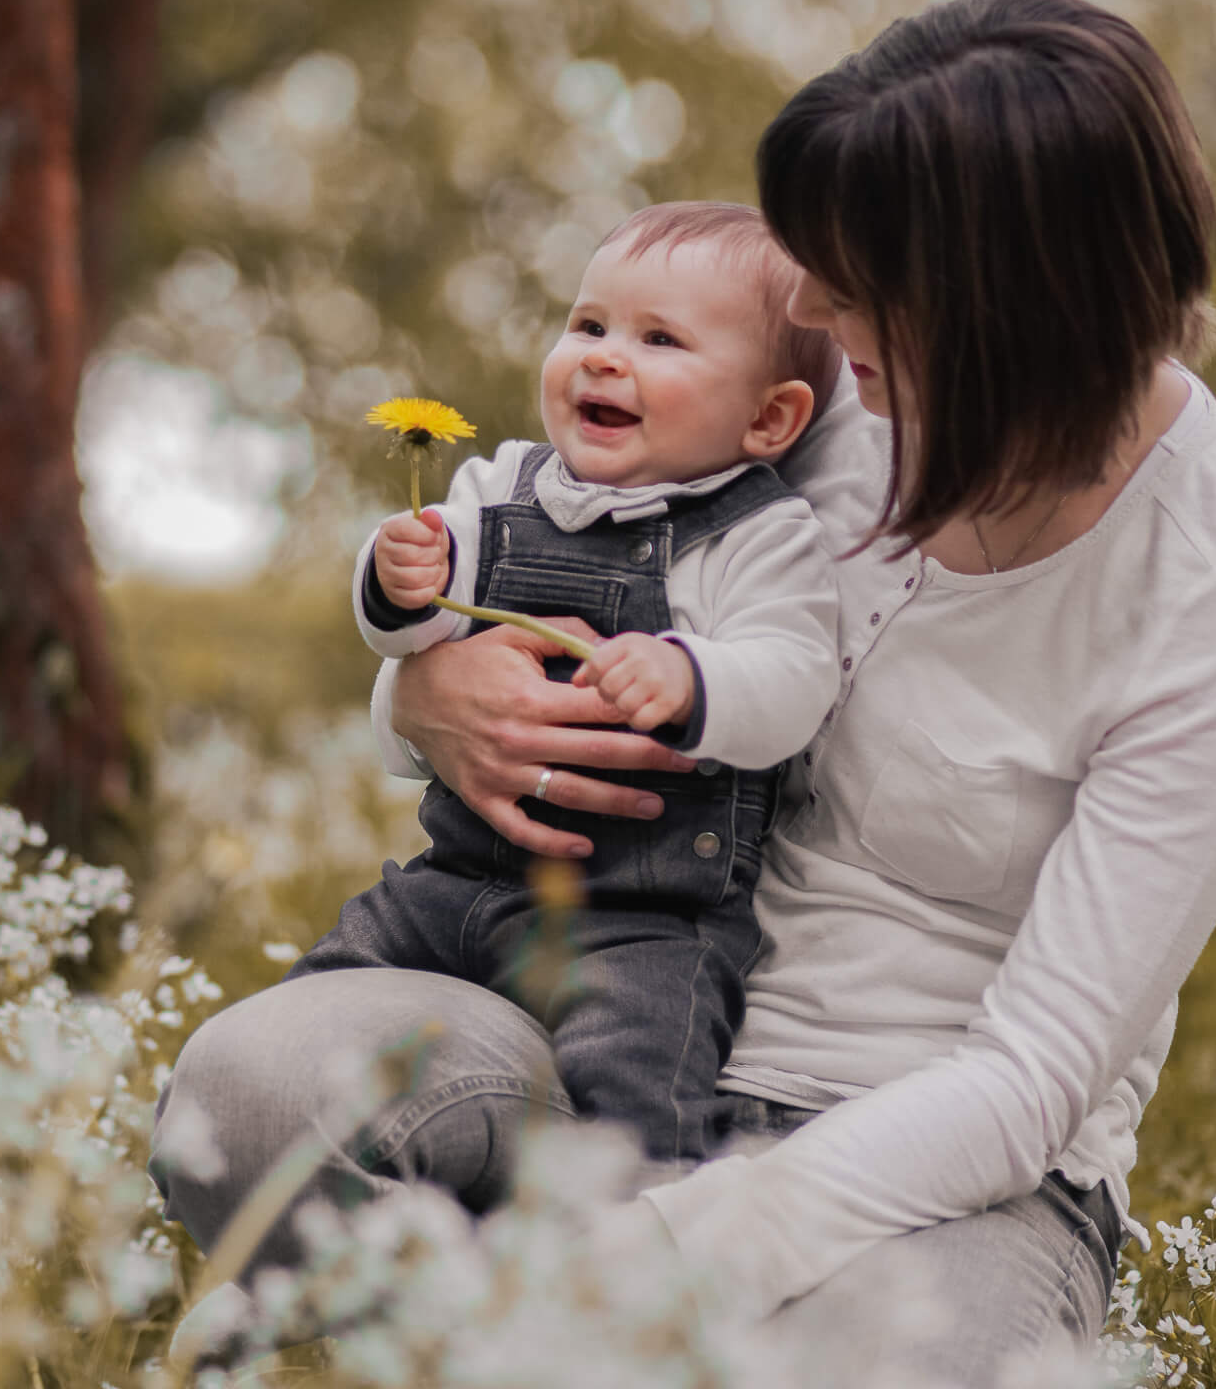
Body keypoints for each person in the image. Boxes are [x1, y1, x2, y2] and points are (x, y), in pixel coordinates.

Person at [152, 0, 1216, 1385]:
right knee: (250, 1095)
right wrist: (425, 704)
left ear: (1007, 301)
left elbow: (1030, 1080)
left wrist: (669, 1249)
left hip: (930, 1172)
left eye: (856, 278)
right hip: (601, 1033)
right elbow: (546, 571)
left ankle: (525, 1333)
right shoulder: (839, 405)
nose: (810, 311)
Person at [286, 200, 843, 1165]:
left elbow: (795, 681)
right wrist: (394, 583)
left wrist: (693, 677)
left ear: (768, 417)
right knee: (310, 1019)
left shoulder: (761, 536)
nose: (603, 357)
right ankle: (276, 1223)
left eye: (659, 340)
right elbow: (419, 634)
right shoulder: (499, 487)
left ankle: (641, 1235)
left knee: (635, 1091)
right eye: (588, 325)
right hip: (454, 882)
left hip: (639, 924)